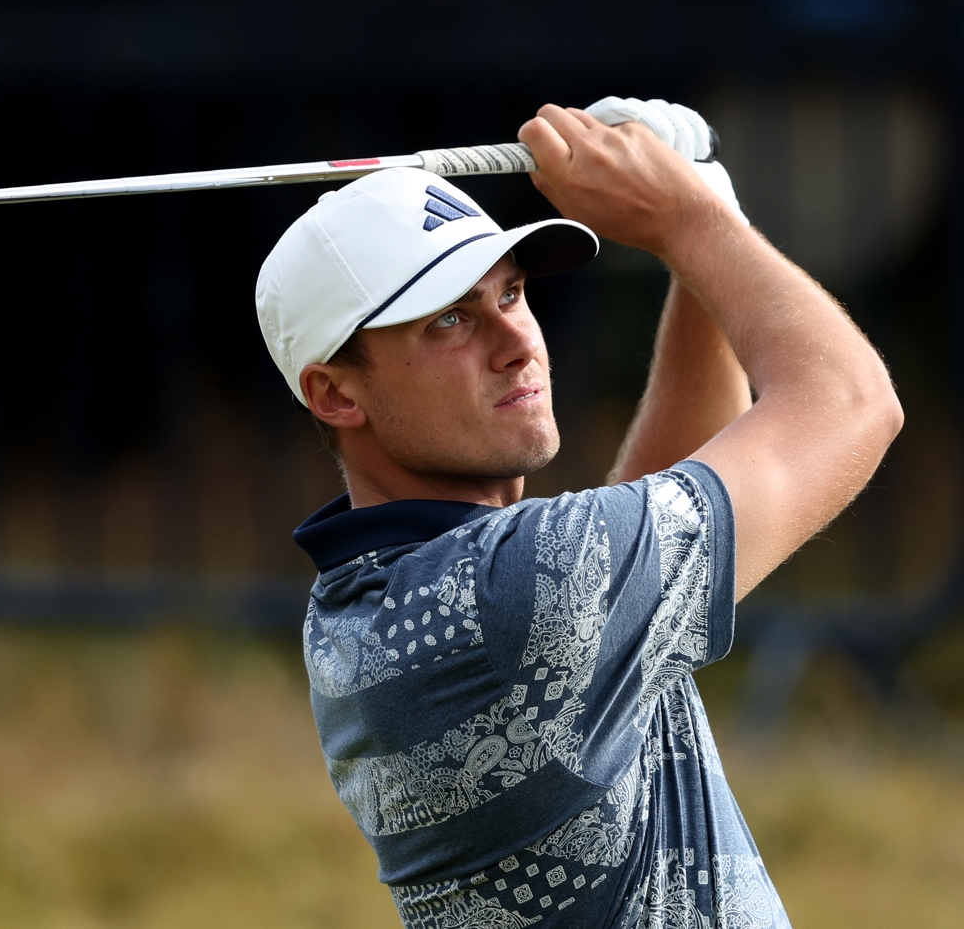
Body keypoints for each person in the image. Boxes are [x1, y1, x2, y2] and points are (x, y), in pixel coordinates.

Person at [254, 97, 902, 929]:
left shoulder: (381, 597)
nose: (516, 338)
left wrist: (703, 219)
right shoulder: (510, 591)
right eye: (450, 317)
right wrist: (691, 219)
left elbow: (661, 509)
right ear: (335, 392)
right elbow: (851, 402)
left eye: (511, 292)